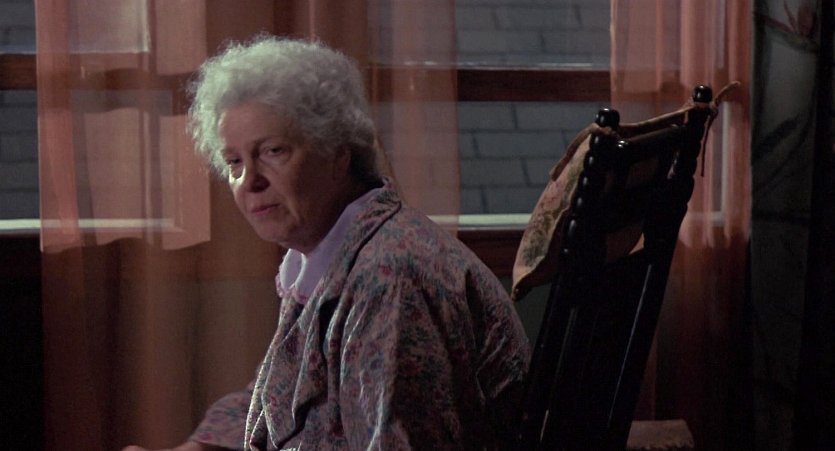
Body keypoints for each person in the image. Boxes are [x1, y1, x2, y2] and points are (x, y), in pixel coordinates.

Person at [124, 35, 530, 451]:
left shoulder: (389, 276)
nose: (250, 182)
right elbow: (283, 397)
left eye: (273, 151)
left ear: (339, 153)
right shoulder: (328, 254)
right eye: (234, 162)